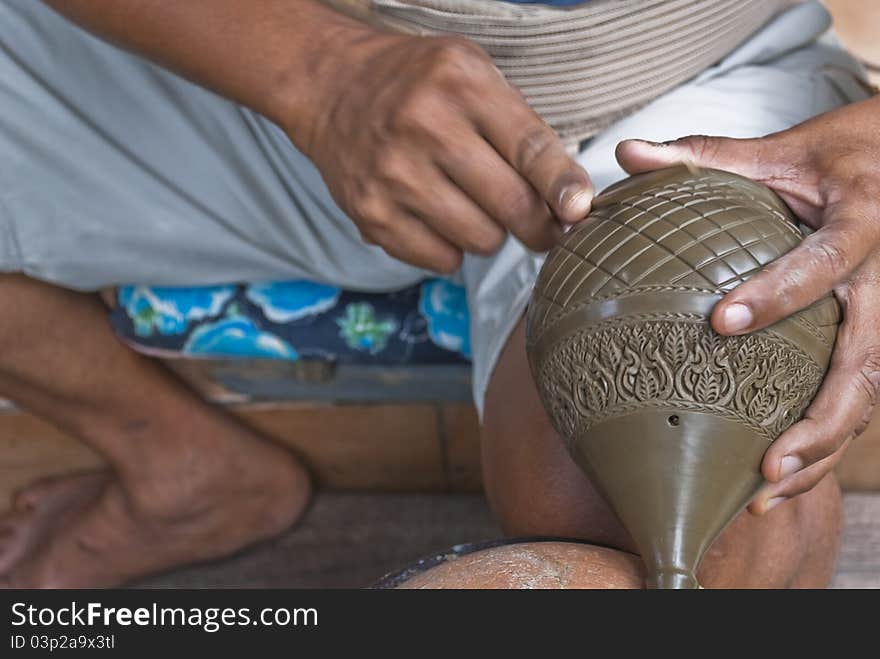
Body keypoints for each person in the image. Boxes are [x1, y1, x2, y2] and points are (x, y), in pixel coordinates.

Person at [0, 0, 875, 587]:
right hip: (254, 48)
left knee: (658, 446)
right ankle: (177, 459)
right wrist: (314, 71)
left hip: (679, 81)